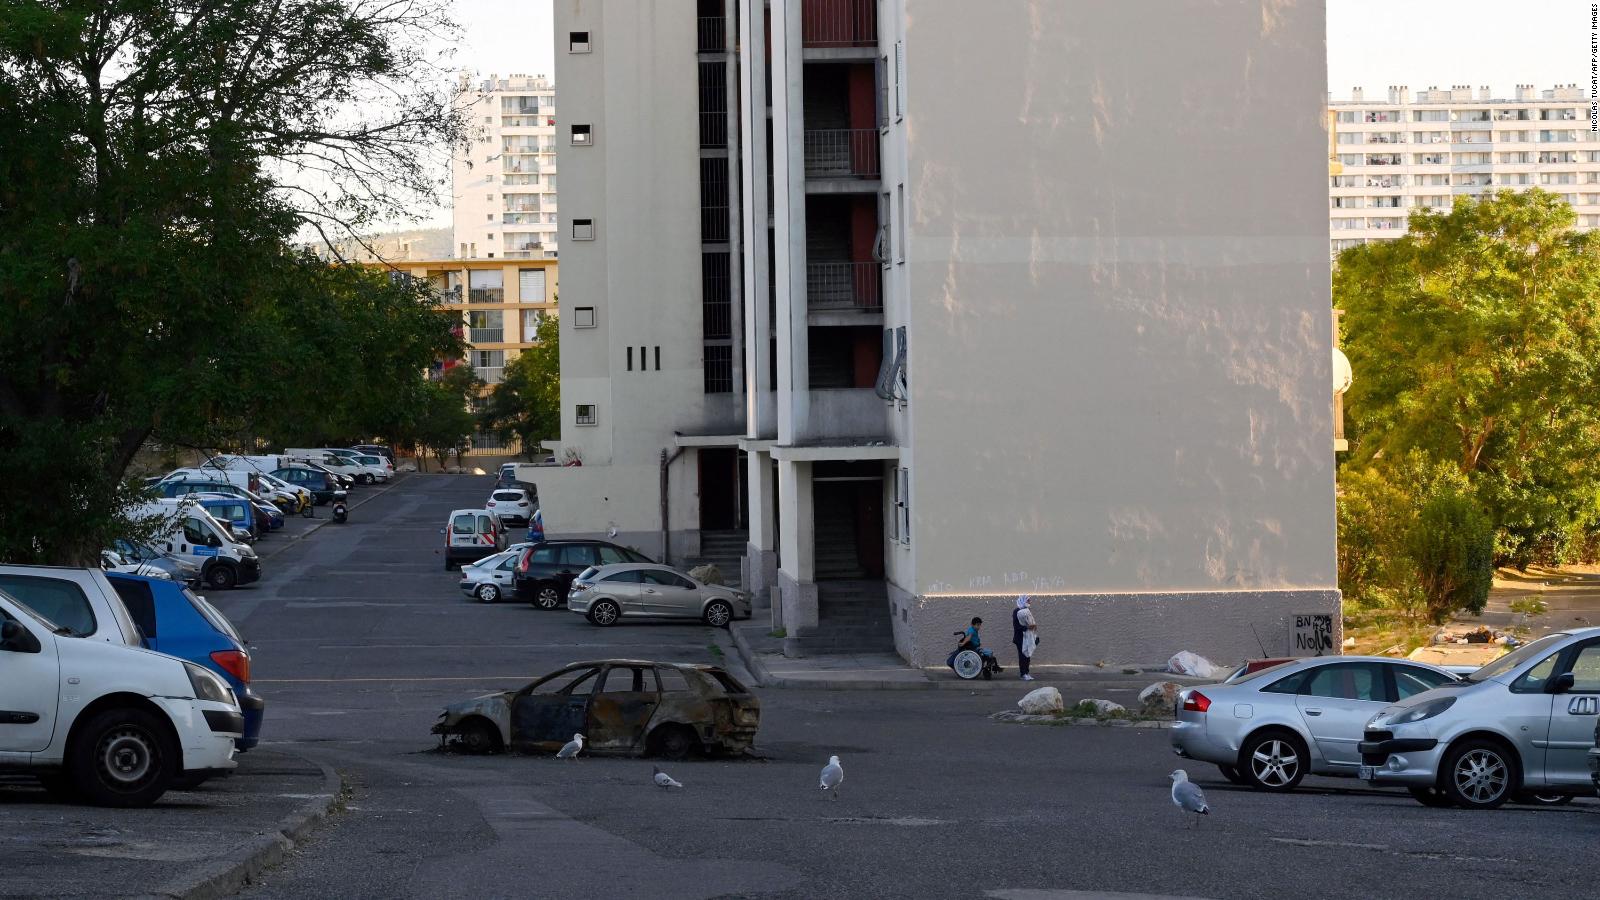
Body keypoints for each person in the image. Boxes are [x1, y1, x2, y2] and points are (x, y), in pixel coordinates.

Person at [1013, 595, 1038, 681]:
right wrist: (1027, 627)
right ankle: (1023, 674)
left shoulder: (1026, 611)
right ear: (1023, 601)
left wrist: (1033, 627)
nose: (1030, 602)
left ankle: (1026, 672)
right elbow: (1016, 626)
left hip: (1027, 638)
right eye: (1028, 601)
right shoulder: (1017, 611)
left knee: (1028, 655)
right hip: (1020, 638)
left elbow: (1030, 622)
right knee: (1022, 656)